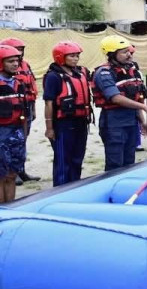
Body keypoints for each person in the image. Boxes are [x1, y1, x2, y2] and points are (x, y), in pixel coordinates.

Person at [92, 35, 147, 171]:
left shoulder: (130, 70)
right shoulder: (104, 73)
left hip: (131, 121)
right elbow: (116, 98)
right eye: (124, 52)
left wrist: (142, 121)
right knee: (115, 163)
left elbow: (134, 97)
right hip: (114, 123)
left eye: (128, 51)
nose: (129, 55)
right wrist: (144, 107)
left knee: (129, 162)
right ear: (111, 54)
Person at [43, 41, 92, 186]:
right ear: (60, 57)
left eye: (77, 56)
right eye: (71, 56)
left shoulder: (80, 73)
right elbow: (49, 103)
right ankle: (60, 189)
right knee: (63, 160)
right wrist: (49, 128)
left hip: (81, 121)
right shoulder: (54, 76)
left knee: (77, 158)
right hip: (63, 123)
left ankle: (74, 186)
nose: (75, 59)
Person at [0, 37, 40, 183]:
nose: (20, 53)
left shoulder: (25, 65)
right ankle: (11, 172)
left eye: (21, 50)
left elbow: (32, 86)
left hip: (24, 106)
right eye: (17, 50)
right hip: (6, 112)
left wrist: (33, 108)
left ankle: (20, 170)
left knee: (21, 140)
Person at [0, 45, 27, 202]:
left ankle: (12, 210)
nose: (15, 64)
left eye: (17, 61)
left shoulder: (19, 83)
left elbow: (24, 112)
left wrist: (23, 138)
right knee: (0, 176)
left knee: (11, 175)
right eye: (11, 61)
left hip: (16, 134)